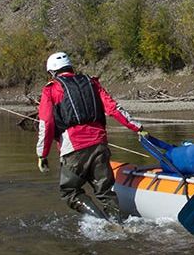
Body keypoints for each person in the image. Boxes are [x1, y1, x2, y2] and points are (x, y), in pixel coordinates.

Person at [36, 51, 142, 223]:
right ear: (70, 67)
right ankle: (119, 225)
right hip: (100, 144)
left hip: (74, 149)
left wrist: (42, 154)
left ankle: (102, 223)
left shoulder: (51, 89)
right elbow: (114, 109)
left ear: (52, 72)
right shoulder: (92, 83)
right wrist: (138, 128)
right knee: (105, 192)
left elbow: (46, 124)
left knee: (69, 192)